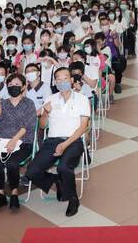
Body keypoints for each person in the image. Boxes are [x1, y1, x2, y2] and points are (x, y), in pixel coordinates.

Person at [26, 67, 90, 217]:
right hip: (52, 140)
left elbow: (83, 127)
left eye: (65, 78)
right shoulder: (51, 99)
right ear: (55, 82)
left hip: (74, 140)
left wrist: (65, 144)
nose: (62, 82)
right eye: (59, 79)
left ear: (72, 80)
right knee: (32, 171)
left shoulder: (81, 99)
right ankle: (57, 181)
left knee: (64, 167)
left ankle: (72, 198)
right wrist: (46, 112)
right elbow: (42, 126)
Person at [0, 73, 37, 210]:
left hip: (23, 140)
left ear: (23, 87)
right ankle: (1, 194)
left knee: (12, 163)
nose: (13, 87)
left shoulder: (29, 103)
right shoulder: (3, 102)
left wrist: (14, 140)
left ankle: (14, 192)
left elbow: (29, 126)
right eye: (10, 85)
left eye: (17, 85)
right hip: (2, 140)